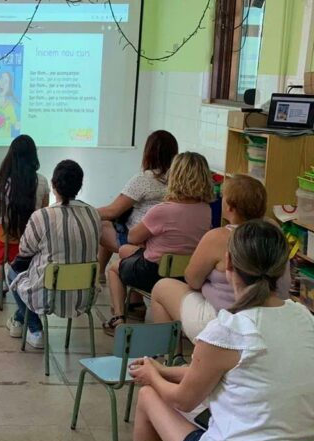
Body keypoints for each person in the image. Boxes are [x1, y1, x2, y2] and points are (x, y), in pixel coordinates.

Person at [95, 220, 314, 441]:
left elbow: (183, 400)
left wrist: (153, 377)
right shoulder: (303, 317)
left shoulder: (231, 329)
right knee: (176, 398)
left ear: (227, 264)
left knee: (150, 396)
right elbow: (228, 372)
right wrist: (166, 371)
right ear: (282, 268)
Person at [150, 175, 290, 342]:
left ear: (230, 207)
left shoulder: (218, 237)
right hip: (268, 319)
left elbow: (192, 280)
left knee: (161, 287)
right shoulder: (275, 231)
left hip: (223, 320)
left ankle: (167, 360)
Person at [104, 152, 213, 334]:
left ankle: (118, 317)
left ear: (175, 176)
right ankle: (135, 304)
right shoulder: (205, 210)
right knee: (125, 251)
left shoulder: (162, 210)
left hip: (153, 272)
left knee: (114, 269)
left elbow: (133, 237)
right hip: (184, 273)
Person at [6, 160, 101, 350]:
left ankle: (35, 330)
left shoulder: (42, 216)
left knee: (13, 273)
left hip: (48, 296)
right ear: (80, 186)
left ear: (53, 184)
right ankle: (18, 318)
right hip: (85, 296)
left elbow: (24, 252)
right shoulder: (93, 214)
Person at [98, 130, 179, 282]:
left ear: (149, 152)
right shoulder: (178, 181)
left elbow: (112, 210)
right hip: (168, 245)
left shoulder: (144, 179)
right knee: (115, 223)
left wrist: (83, 211)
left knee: (103, 224)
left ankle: (100, 274)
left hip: (142, 243)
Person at [0, 135, 49, 294]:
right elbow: (42, 216)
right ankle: (28, 279)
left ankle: (0, 280)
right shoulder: (42, 182)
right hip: (31, 246)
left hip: (5, 244)